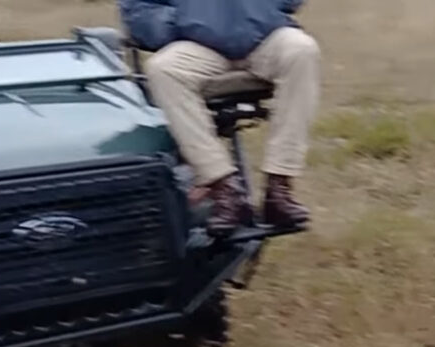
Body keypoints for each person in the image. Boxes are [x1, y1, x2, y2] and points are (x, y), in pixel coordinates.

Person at [120, 0, 320, 235]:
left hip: (263, 38)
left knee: (302, 50)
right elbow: (139, 11)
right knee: (162, 69)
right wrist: (186, 22)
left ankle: (279, 186)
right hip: (196, 43)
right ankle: (224, 188)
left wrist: (258, 13)